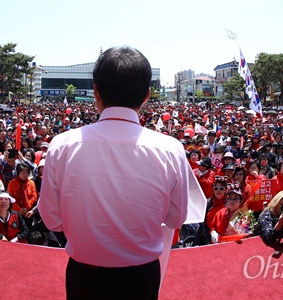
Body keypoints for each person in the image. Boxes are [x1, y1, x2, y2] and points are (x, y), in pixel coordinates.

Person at [38, 46, 189, 299]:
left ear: (96, 91)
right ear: (147, 95)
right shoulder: (170, 149)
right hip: (142, 277)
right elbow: (176, 218)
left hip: (83, 275)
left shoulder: (62, 145)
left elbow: (52, 219)